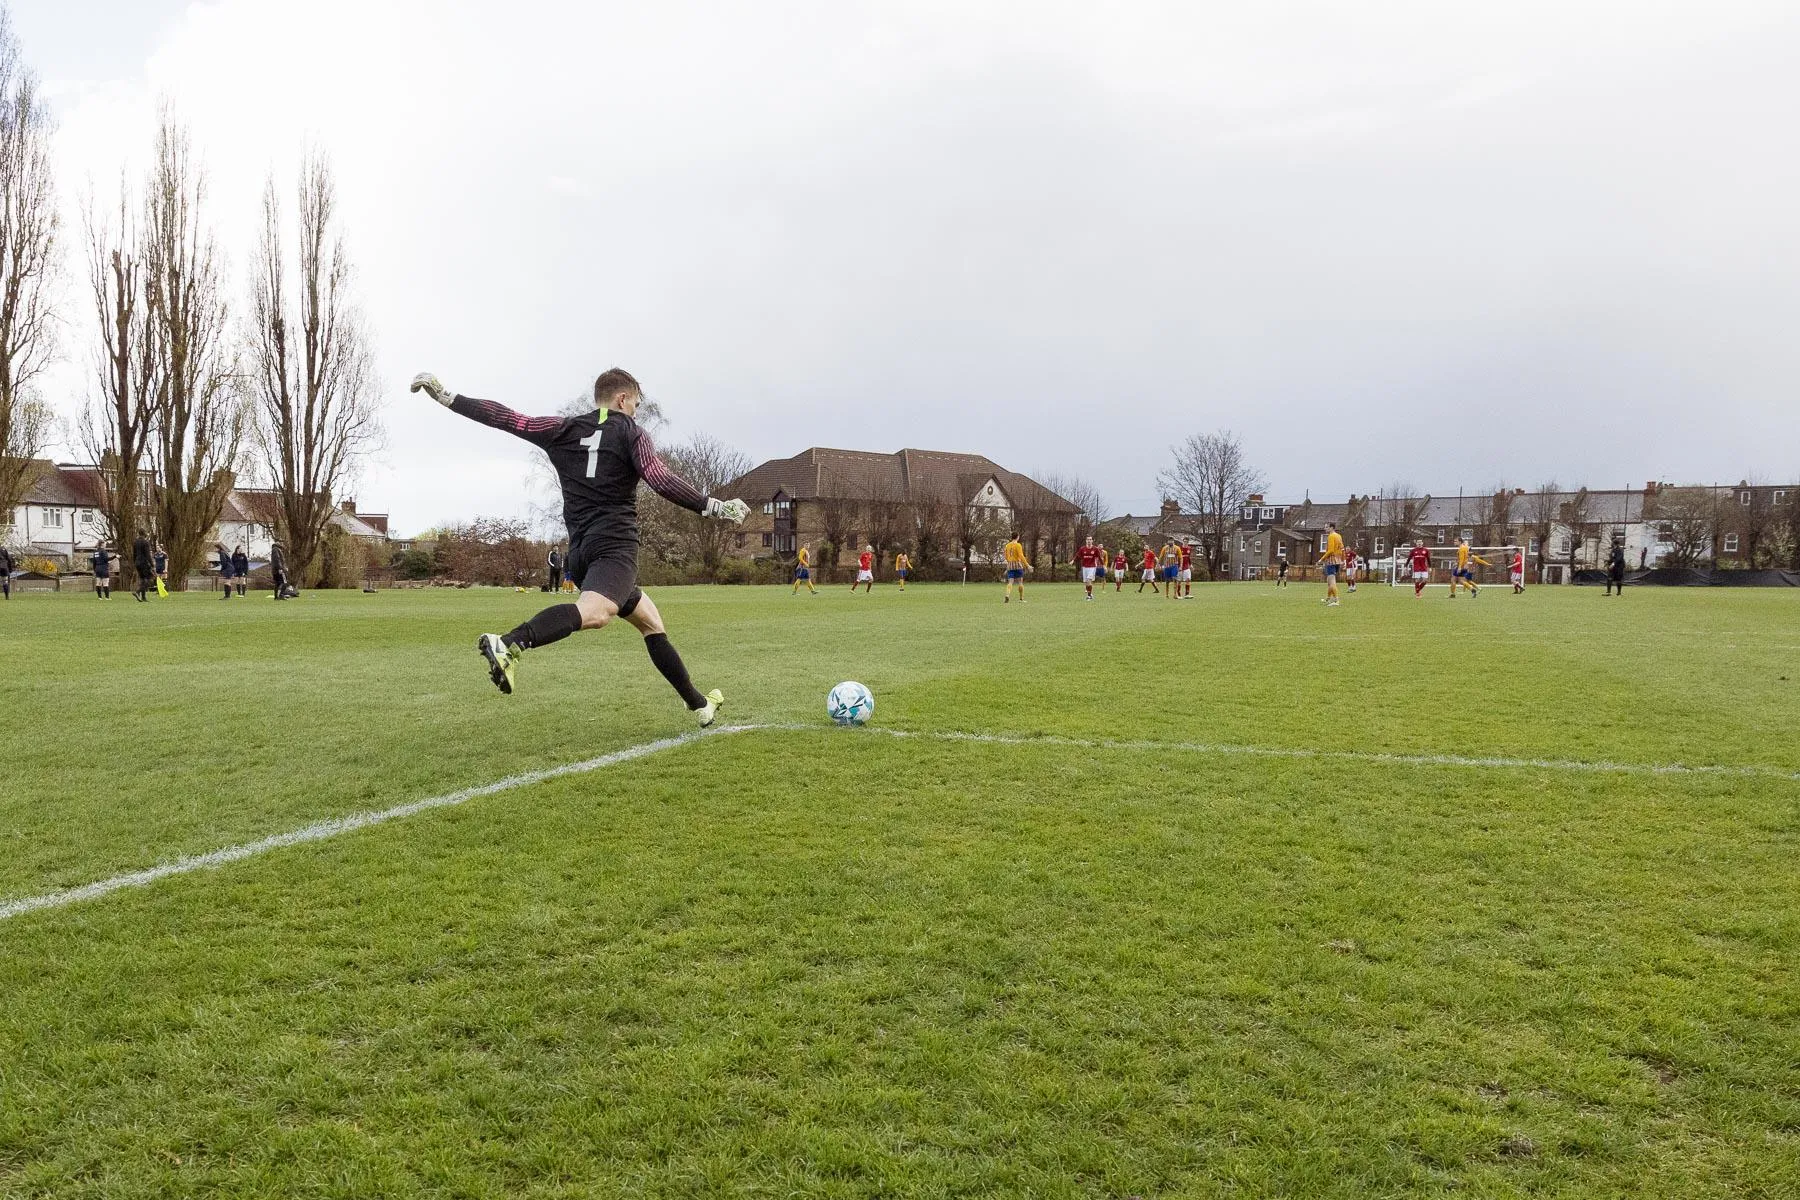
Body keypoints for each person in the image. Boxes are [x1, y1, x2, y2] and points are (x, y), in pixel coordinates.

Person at [410, 367, 748, 724]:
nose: (635, 410)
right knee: (597, 614)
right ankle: (510, 642)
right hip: (615, 548)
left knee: (650, 622)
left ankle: (698, 704)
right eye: (635, 403)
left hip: (581, 553)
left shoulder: (564, 428)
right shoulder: (631, 432)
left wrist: (449, 397)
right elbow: (659, 478)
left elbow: (509, 419)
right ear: (622, 399)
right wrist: (713, 506)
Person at [1318, 523, 1344, 607]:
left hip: (1331, 560)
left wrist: (1321, 559)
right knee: (1329, 582)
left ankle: (1336, 600)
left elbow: (1331, 550)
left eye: (1326, 527)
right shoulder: (1339, 536)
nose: (1325, 528)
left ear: (1331, 528)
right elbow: (1342, 548)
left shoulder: (1331, 536)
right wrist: (1342, 559)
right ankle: (1328, 598)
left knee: (1332, 582)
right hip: (1337, 560)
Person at [1002, 532, 1030, 602]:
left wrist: (1009, 562)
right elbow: (1021, 555)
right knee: (1020, 582)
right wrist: (1027, 565)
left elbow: (1005, 555)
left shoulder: (1007, 545)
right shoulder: (1018, 545)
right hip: (1017, 564)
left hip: (1010, 565)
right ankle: (1021, 599)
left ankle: (1007, 595)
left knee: (1010, 582)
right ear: (1017, 537)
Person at [1075, 535, 1103, 601]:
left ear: (1092, 541)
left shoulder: (1095, 549)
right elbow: (1077, 555)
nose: (1089, 541)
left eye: (1090, 539)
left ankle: (1088, 596)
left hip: (1092, 567)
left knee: (1088, 580)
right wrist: (1073, 560)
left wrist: (1103, 565)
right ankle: (1090, 594)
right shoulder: (1082, 548)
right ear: (1086, 541)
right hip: (1085, 567)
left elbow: (1099, 557)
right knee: (1086, 583)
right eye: (1088, 539)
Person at [131, 533, 154, 602]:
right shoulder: (145, 542)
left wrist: (134, 562)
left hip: (137, 563)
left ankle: (143, 597)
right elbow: (148, 554)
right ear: (145, 534)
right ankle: (138, 592)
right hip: (144, 563)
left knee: (142, 580)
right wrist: (152, 564)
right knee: (149, 579)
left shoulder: (135, 542)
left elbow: (134, 554)